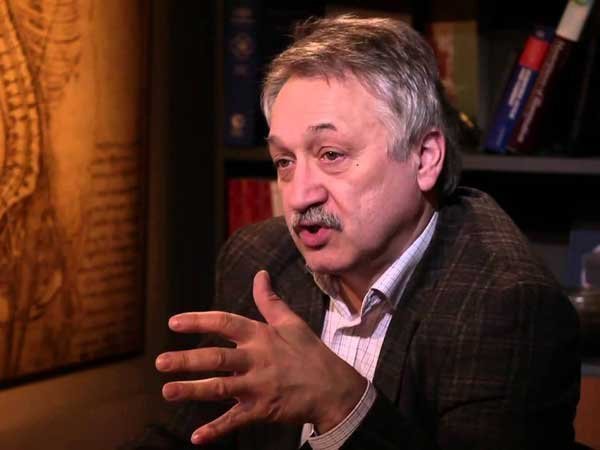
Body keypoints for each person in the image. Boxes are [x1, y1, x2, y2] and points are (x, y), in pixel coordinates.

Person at [129, 15, 580, 449]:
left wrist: (341, 405)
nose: (299, 195)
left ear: (424, 158)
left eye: (331, 155)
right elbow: (187, 437)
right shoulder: (258, 256)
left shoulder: (506, 305)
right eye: (285, 161)